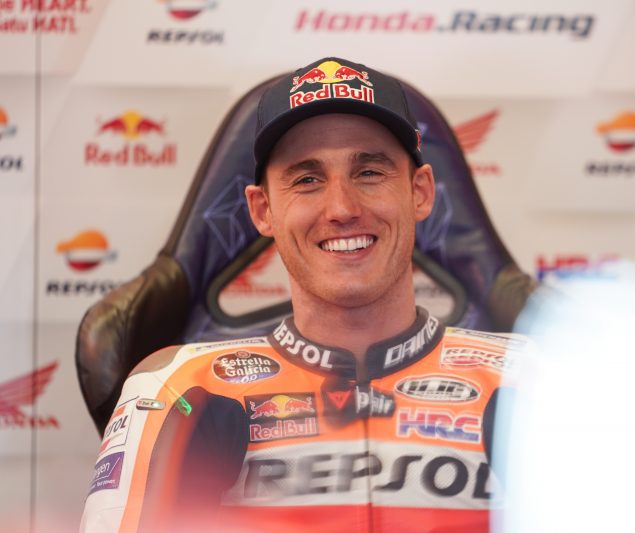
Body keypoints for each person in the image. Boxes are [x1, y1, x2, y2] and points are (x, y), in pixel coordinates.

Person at [80, 57, 521, 533]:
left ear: (420, 192)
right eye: (307, 180)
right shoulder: (180, 387)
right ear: (262, 209)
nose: (342, 208)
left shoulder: (536, 380)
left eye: (369, 173)